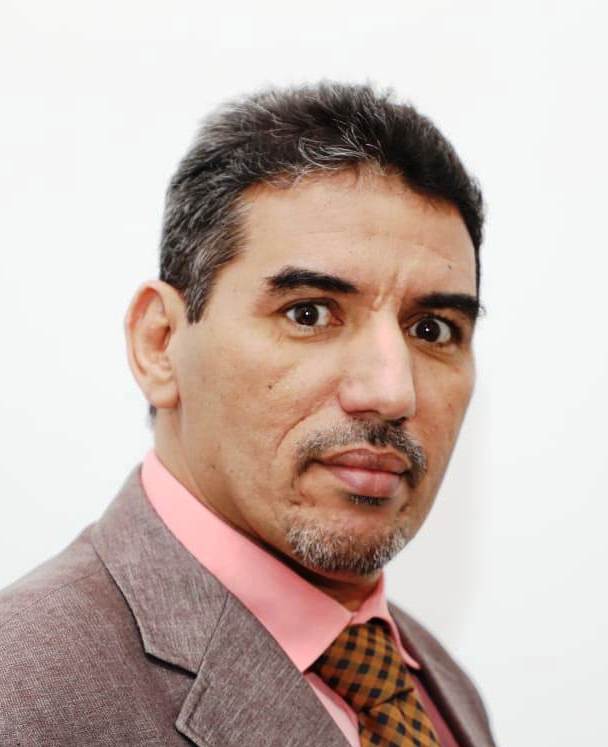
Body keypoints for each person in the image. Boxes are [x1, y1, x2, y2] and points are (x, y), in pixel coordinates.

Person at [0, 82, 496, 746]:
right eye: (309, 313)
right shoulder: (24, 695)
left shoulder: (437, 684)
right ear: (160, 343)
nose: (391, 391)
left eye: (432, 329)